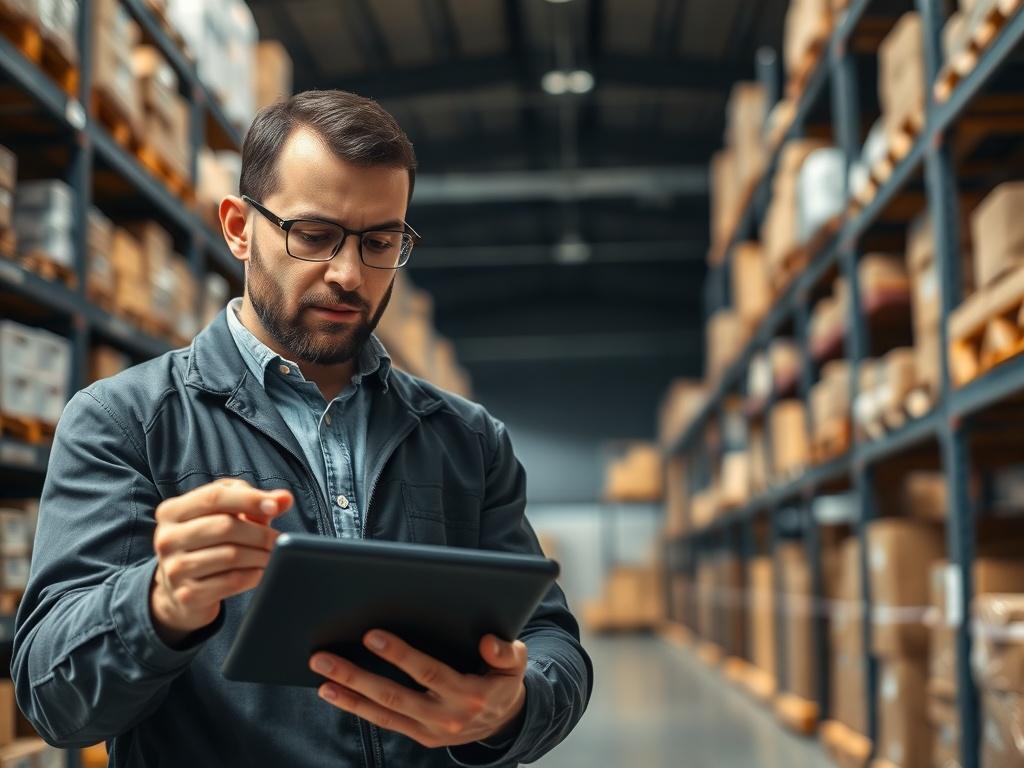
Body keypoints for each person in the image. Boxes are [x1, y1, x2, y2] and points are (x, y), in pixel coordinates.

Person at [11, 90, 592, 767]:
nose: (349, 274)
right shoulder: (126, 423)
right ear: (237, 226)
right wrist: (159, 602)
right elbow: (52, 698)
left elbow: (551, 638)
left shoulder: (465, 439)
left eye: (380, 243)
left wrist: (512, 709)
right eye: (314, 236)